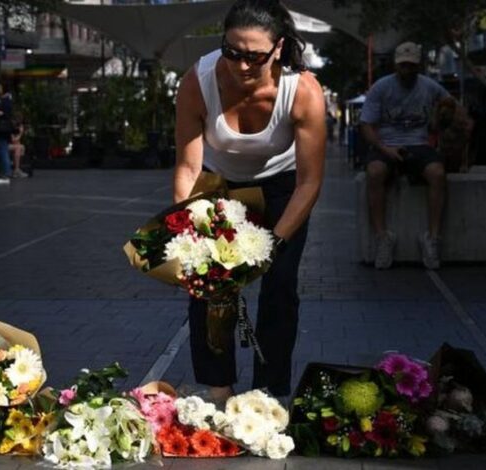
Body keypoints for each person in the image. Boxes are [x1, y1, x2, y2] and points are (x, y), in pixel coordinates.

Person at [173, 0, 326, 403]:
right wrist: (192, 231)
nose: (242, 65)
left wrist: (272, 246)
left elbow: (310, 182)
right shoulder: (197, 81)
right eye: (232, 52)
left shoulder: (303, 90)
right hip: (220, 185)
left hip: (283, 189)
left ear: (278, 48)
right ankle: (219, 388)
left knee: (279, 285)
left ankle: (270, 393)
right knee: (210, 284)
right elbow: (187, 170)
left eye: (255, 57)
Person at [360, 42, 454, 270]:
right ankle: (383, 237)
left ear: (418, 66)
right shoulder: (381, 88)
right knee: (374, 172)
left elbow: (450, 103)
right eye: (403, 66)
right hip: (388, 144)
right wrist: (385, 149)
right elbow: (366, 126)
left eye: (411, 66)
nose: (407, 70)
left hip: (419, 144)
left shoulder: (430, 86)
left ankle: (431, 238)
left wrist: (443, 117)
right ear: (396, 65)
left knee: (438, 173)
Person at [9, 114, 28, 178]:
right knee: (18, 147)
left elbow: (16, 141)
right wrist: (20, 133)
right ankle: (16, 169)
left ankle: (17, 167)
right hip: (5, 145)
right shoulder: (9, 127)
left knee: (22, 147)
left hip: (11, 145)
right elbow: (13, 140)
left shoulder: (16, 128)